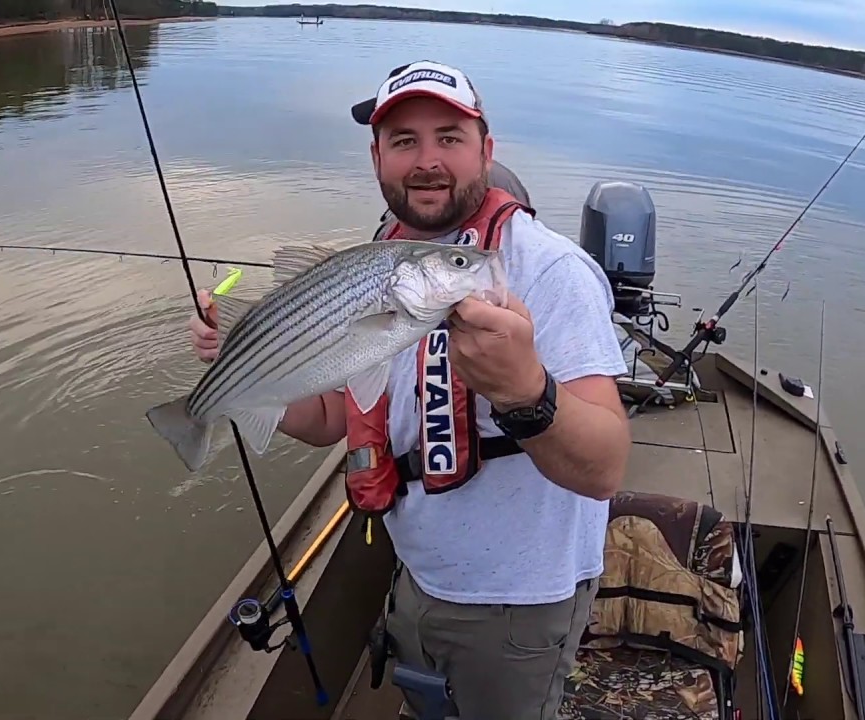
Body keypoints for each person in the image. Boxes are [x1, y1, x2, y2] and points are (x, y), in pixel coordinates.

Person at [188, 60, 631, 719]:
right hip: (417, 572)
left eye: (449, 136)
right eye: (404, 141)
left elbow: (605, 469)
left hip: (517, 599)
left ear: (487, 148)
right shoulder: (380, 257)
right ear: (377, 158)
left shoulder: (551, 270)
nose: (427, 160)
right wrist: (247, 371)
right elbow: (336, 414)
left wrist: (525, 393)